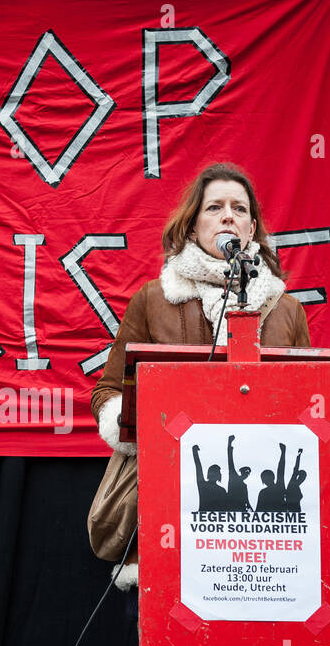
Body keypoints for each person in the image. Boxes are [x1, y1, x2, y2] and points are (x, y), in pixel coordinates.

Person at [90, 163, 311, 590]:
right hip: (171, 505)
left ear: (251, 230)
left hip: (264, 525)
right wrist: (134, 422)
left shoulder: (287, 310)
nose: (228, 215)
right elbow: (107, 391)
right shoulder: (154, 300)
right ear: (192, 227)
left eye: (239, 209)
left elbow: (311, 399)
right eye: (214, 207)